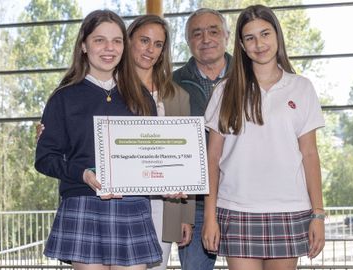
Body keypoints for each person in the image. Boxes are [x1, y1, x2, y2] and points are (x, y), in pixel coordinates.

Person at [34, 10, 162, 270]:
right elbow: (45, 159)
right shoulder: (63, 98)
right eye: (99, 40)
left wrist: (169, 179)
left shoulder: (141, 98)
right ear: (84, 45)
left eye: (117, 41)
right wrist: (82, 174)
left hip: (132, 205)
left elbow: (152, 155)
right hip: (83, 203)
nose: (109, 48)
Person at [202, 5, 326, 270]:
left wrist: (318, 214)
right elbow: (211, 158)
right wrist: (209, 216)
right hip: (236, 210)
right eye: (250, 38)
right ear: (242, 46)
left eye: (265, 34)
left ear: (277, 36)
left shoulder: (302, 88)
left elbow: (310, 155)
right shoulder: (225, 91)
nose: (259, 44)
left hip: (289, 209)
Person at [127, 14, 195, 270]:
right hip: (118, 202)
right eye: (144, 40)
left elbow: (186, 159)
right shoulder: (110, 89)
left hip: (163, 205)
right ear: (129, 39)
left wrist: (185, 216)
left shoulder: (177, 96)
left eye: (158, 44)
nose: (150, 50)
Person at [172, 8, 231, 270]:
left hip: (242, 199)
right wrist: (179, 214)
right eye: (197, 33)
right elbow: (168, 150)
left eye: (213, 31)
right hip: (193, 204)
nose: (205, 38)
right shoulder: (171, 84)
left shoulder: (251, 75)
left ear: (227, 36)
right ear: (188, 42)